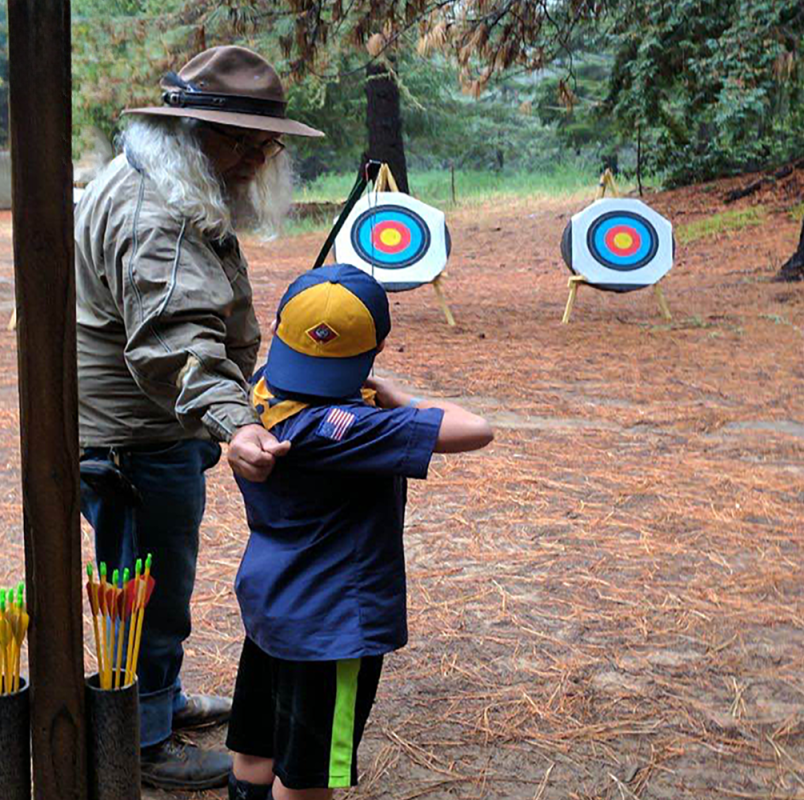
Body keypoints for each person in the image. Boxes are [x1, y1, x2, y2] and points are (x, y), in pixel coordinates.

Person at [74, 46, 324, 790]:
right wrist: (235, 421)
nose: (251, 158)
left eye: (262, 143)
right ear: (184, 130)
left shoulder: (161, 179)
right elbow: (176, 344)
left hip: (142, 432)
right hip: (135, 439)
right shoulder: (160, 216)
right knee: (144, 583)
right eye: (233, 140)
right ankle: (145, 739)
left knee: (152, 581)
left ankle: (158, 699)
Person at [223, 264, 494, 800]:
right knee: (308, 781)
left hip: (272, 608)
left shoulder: (257, 396)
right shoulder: (349, 429)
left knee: (256, 753)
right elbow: (476, 429)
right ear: (376, 348)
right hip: (333, 629)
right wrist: (401, 400)